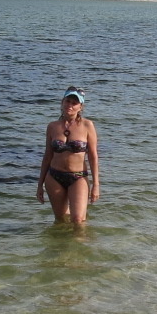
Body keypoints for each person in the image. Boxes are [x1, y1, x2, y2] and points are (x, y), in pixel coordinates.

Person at [36, 88, 100, 224]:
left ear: (80, 107)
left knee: (78, 220)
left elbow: (93, 156)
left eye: (74, 103)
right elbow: (47, 156)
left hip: (78, 177)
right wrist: (39, 185)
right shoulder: (52, 126)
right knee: (60, 220)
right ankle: (61, 245)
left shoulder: (87, 125)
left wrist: (96, 185)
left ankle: (82, 244)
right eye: (68, 101)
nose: (70, 105)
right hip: (54, 176)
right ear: (62, 102)